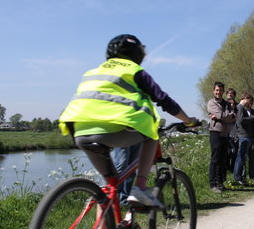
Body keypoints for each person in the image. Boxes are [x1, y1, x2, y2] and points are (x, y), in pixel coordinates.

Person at [59, 34, 197, 210]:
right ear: (138, 54)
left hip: (78, 132)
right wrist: (188, 121)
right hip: (115, 128)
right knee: (152, 135)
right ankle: (139, 188)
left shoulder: (93, 72)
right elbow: (163, 100)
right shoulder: (134, 71)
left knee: (111, 187)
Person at [207, 82, 236, 193]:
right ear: (214, 91)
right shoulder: (211, 103)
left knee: (222, 160)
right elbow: (223, 115)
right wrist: (225, 116)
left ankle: (220, 183)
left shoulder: (226, 103)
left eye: (220, 90)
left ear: (223, 91)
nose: (218, 92)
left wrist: (221, 117)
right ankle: (213, 184)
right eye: (217, 90)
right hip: (216, 133)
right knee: (215, 159)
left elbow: (233, 116)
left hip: (225, 134)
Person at [233, 93, 254, 185]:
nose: (250, 104)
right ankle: (238, 177)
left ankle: (239, 177)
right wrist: (253, 117)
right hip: (243, 136)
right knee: (241, 157)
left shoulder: (241, 108)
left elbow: (243, 120)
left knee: (241, 157)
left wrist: (253, 120)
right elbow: (241, 120)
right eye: (249, 101)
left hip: (246, 136)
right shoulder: (240, 107)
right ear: (246, 98)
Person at [225, 88, 238, 173]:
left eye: (231, 94)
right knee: (227, 152)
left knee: (235, 152)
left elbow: (238, 117)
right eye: (228, 94)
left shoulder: (237, 106)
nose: (230, 95)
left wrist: (233, 109)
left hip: (235, 131)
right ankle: (227, 169)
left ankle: (233, 170)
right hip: (225, 131)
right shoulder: (224, 104)